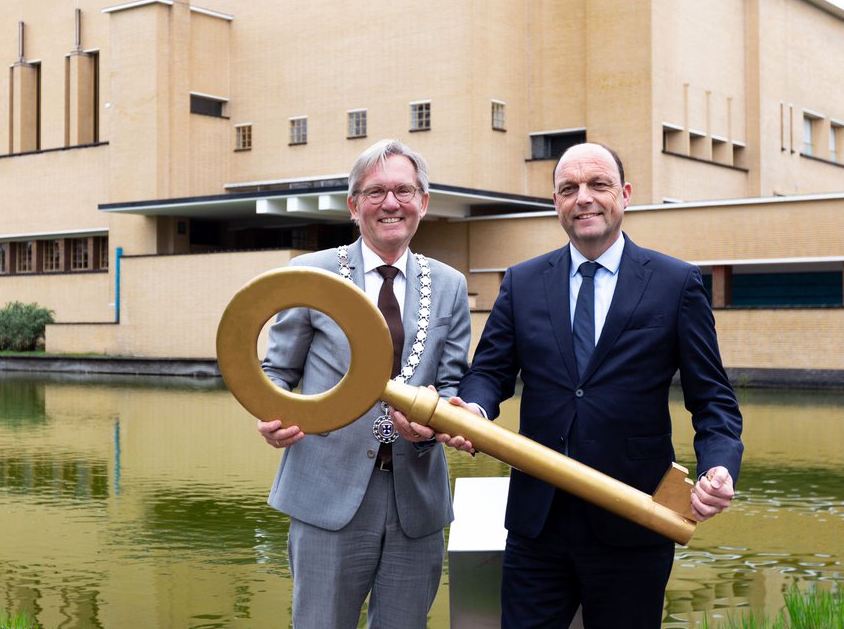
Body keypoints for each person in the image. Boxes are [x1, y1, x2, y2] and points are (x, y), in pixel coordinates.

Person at [439, 142, 743, 628]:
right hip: (537, 524)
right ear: (555, 202)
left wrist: (719, 467)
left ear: (625, 194)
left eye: (598, 184)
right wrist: (473, 412)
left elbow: (713, 400)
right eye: (569, 188)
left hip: (634, 520)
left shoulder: (676, 282)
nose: (583, 198)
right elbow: (489, 373)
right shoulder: (521, 282)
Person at [257, 138, 471, 629]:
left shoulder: (450, 284)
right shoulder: (310, 274)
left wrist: (438, 418)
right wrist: (270, 418)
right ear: (353, 206)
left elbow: (452, 383)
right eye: (375, 192)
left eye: (403, 191)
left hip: (416, 498)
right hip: (325, 495)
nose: (390, 203)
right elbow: (275, 374)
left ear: (423, 202)